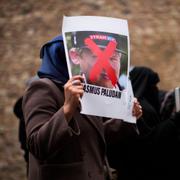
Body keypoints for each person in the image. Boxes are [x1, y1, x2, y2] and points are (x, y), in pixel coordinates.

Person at [22, 35, 142, 180]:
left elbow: (94, 137)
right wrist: (67, 109)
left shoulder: (85, 87)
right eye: (94, 56)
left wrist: (127, 117)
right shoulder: (43, 88)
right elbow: (37, 145)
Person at [107, 66, 180, 180]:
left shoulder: (127, 105)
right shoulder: (141, 108)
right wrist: (174, 122)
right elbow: (149, 143)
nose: (155, 89)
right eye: (152, 86)